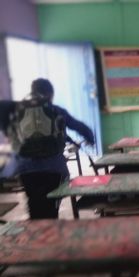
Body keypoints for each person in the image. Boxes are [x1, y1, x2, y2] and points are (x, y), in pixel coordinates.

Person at [0, 78, 95, 219]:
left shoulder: (14, 109)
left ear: (32, 92)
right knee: (51, 205)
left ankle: (38, 232)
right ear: (50, 94)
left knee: (34, 202)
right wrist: (90, 138)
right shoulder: (56, 110)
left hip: (26, 169)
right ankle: (51, 231)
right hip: (54, 169)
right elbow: (79, 126)